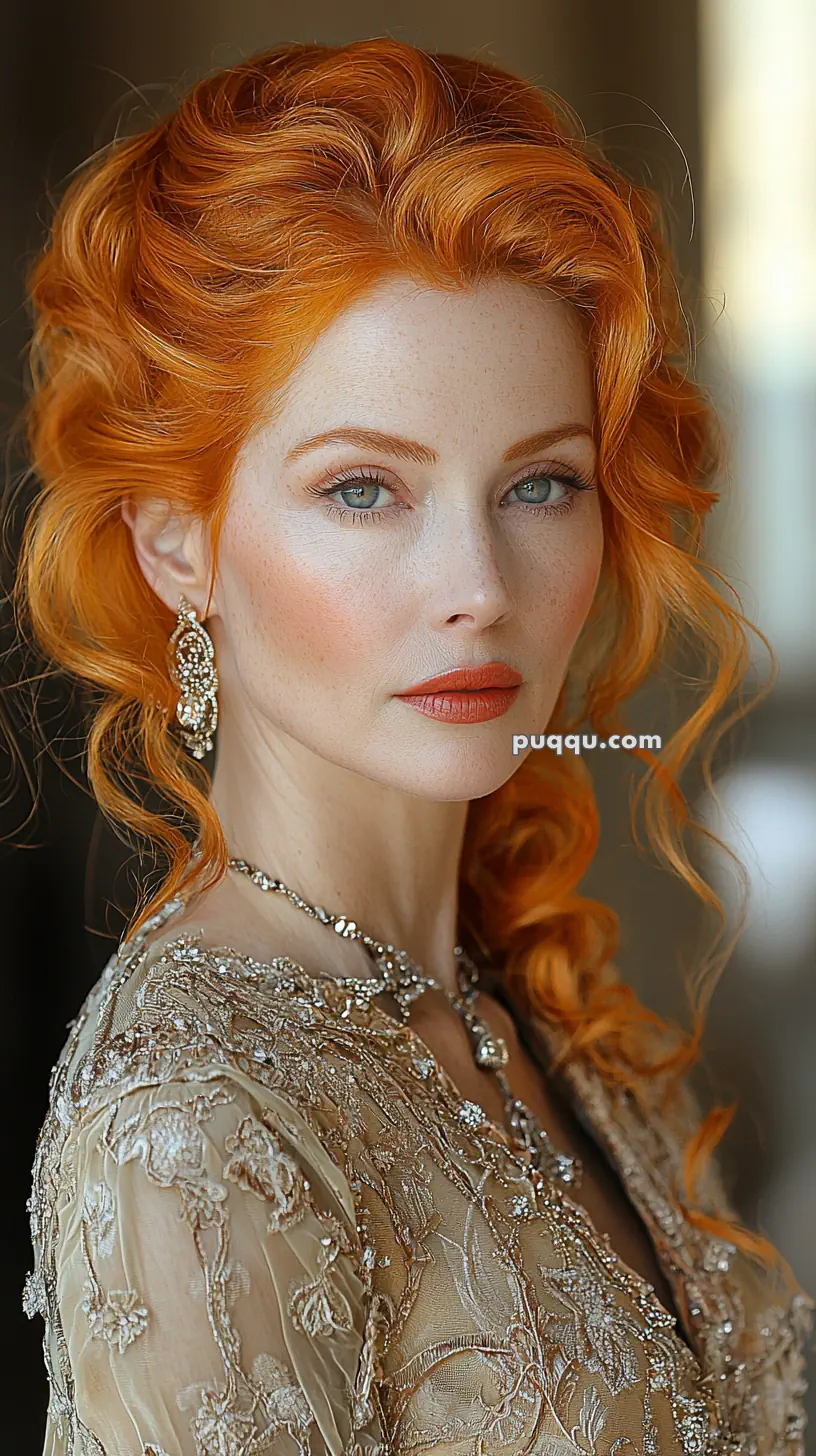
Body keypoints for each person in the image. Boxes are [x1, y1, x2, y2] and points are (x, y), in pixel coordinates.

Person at [17, 37, 812, 1456]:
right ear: (177, 540)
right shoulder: (200, 1126)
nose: (482, 586)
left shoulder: (545, 1020)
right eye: (367, 488)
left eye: (541, 483)